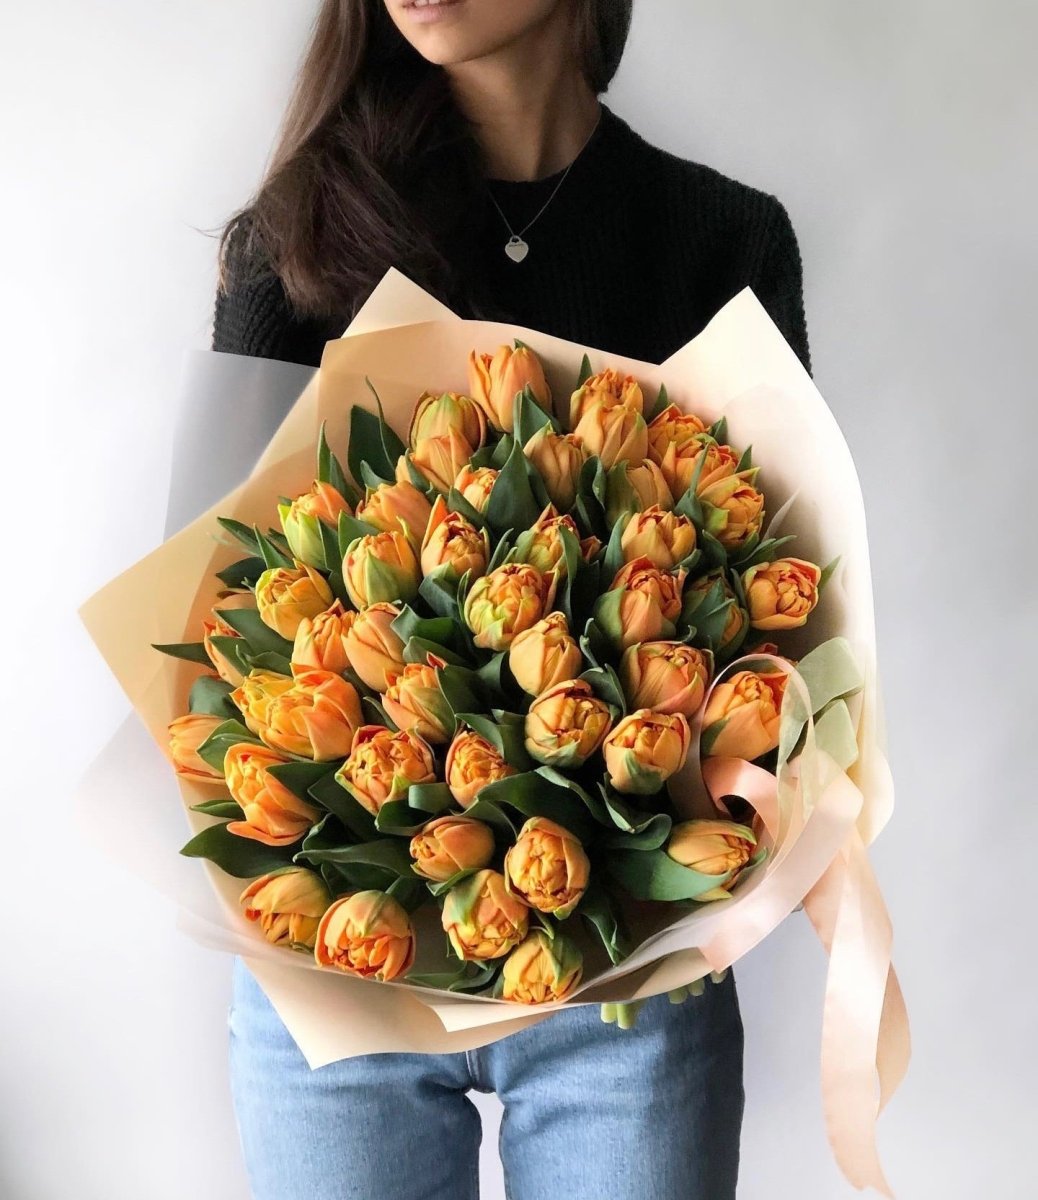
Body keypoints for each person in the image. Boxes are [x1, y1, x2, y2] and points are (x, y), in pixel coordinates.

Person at [212, 3, 811, 1198]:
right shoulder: (293, 241)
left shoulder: (723, 240)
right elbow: (219, 628)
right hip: (345, 957)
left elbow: (779, 624)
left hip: (629, 974)